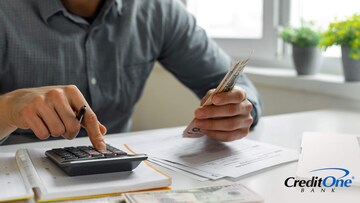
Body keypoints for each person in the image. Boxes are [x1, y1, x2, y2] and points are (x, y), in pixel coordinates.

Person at [0, 0, 263, 150]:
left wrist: (236, 110)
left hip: (121, 178)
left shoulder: (158, 10)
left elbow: (237, 86)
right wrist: (7, 109)